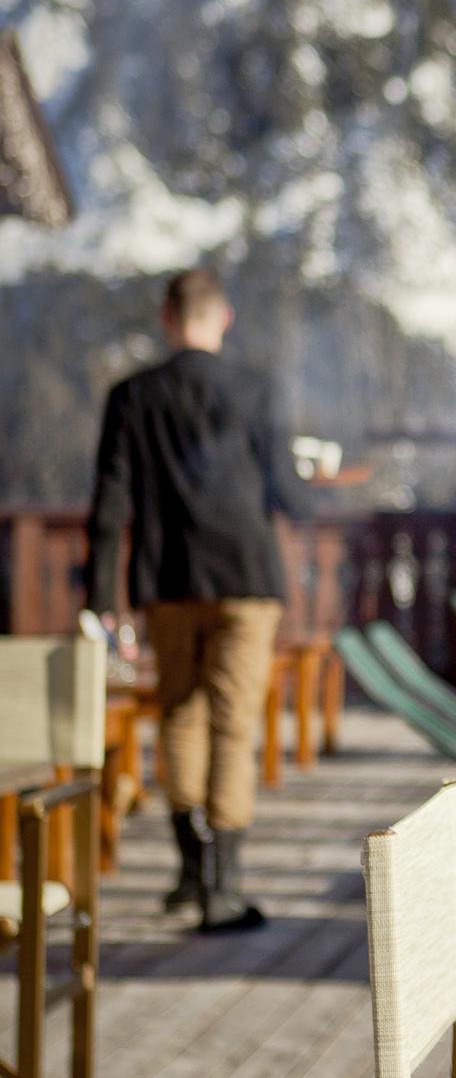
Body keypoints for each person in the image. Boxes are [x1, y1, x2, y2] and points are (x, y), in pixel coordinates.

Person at [86, 267, 318, 931]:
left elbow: (109, 502)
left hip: (167, 582)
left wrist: (103, 600)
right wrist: (322, 486)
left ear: (167, 319)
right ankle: (224, 886)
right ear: (224, 318)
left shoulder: (132, 395)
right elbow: (289, 495)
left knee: (179, 718)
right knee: (230, 723)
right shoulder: (255, 389)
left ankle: (190, 871)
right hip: (245, 578)